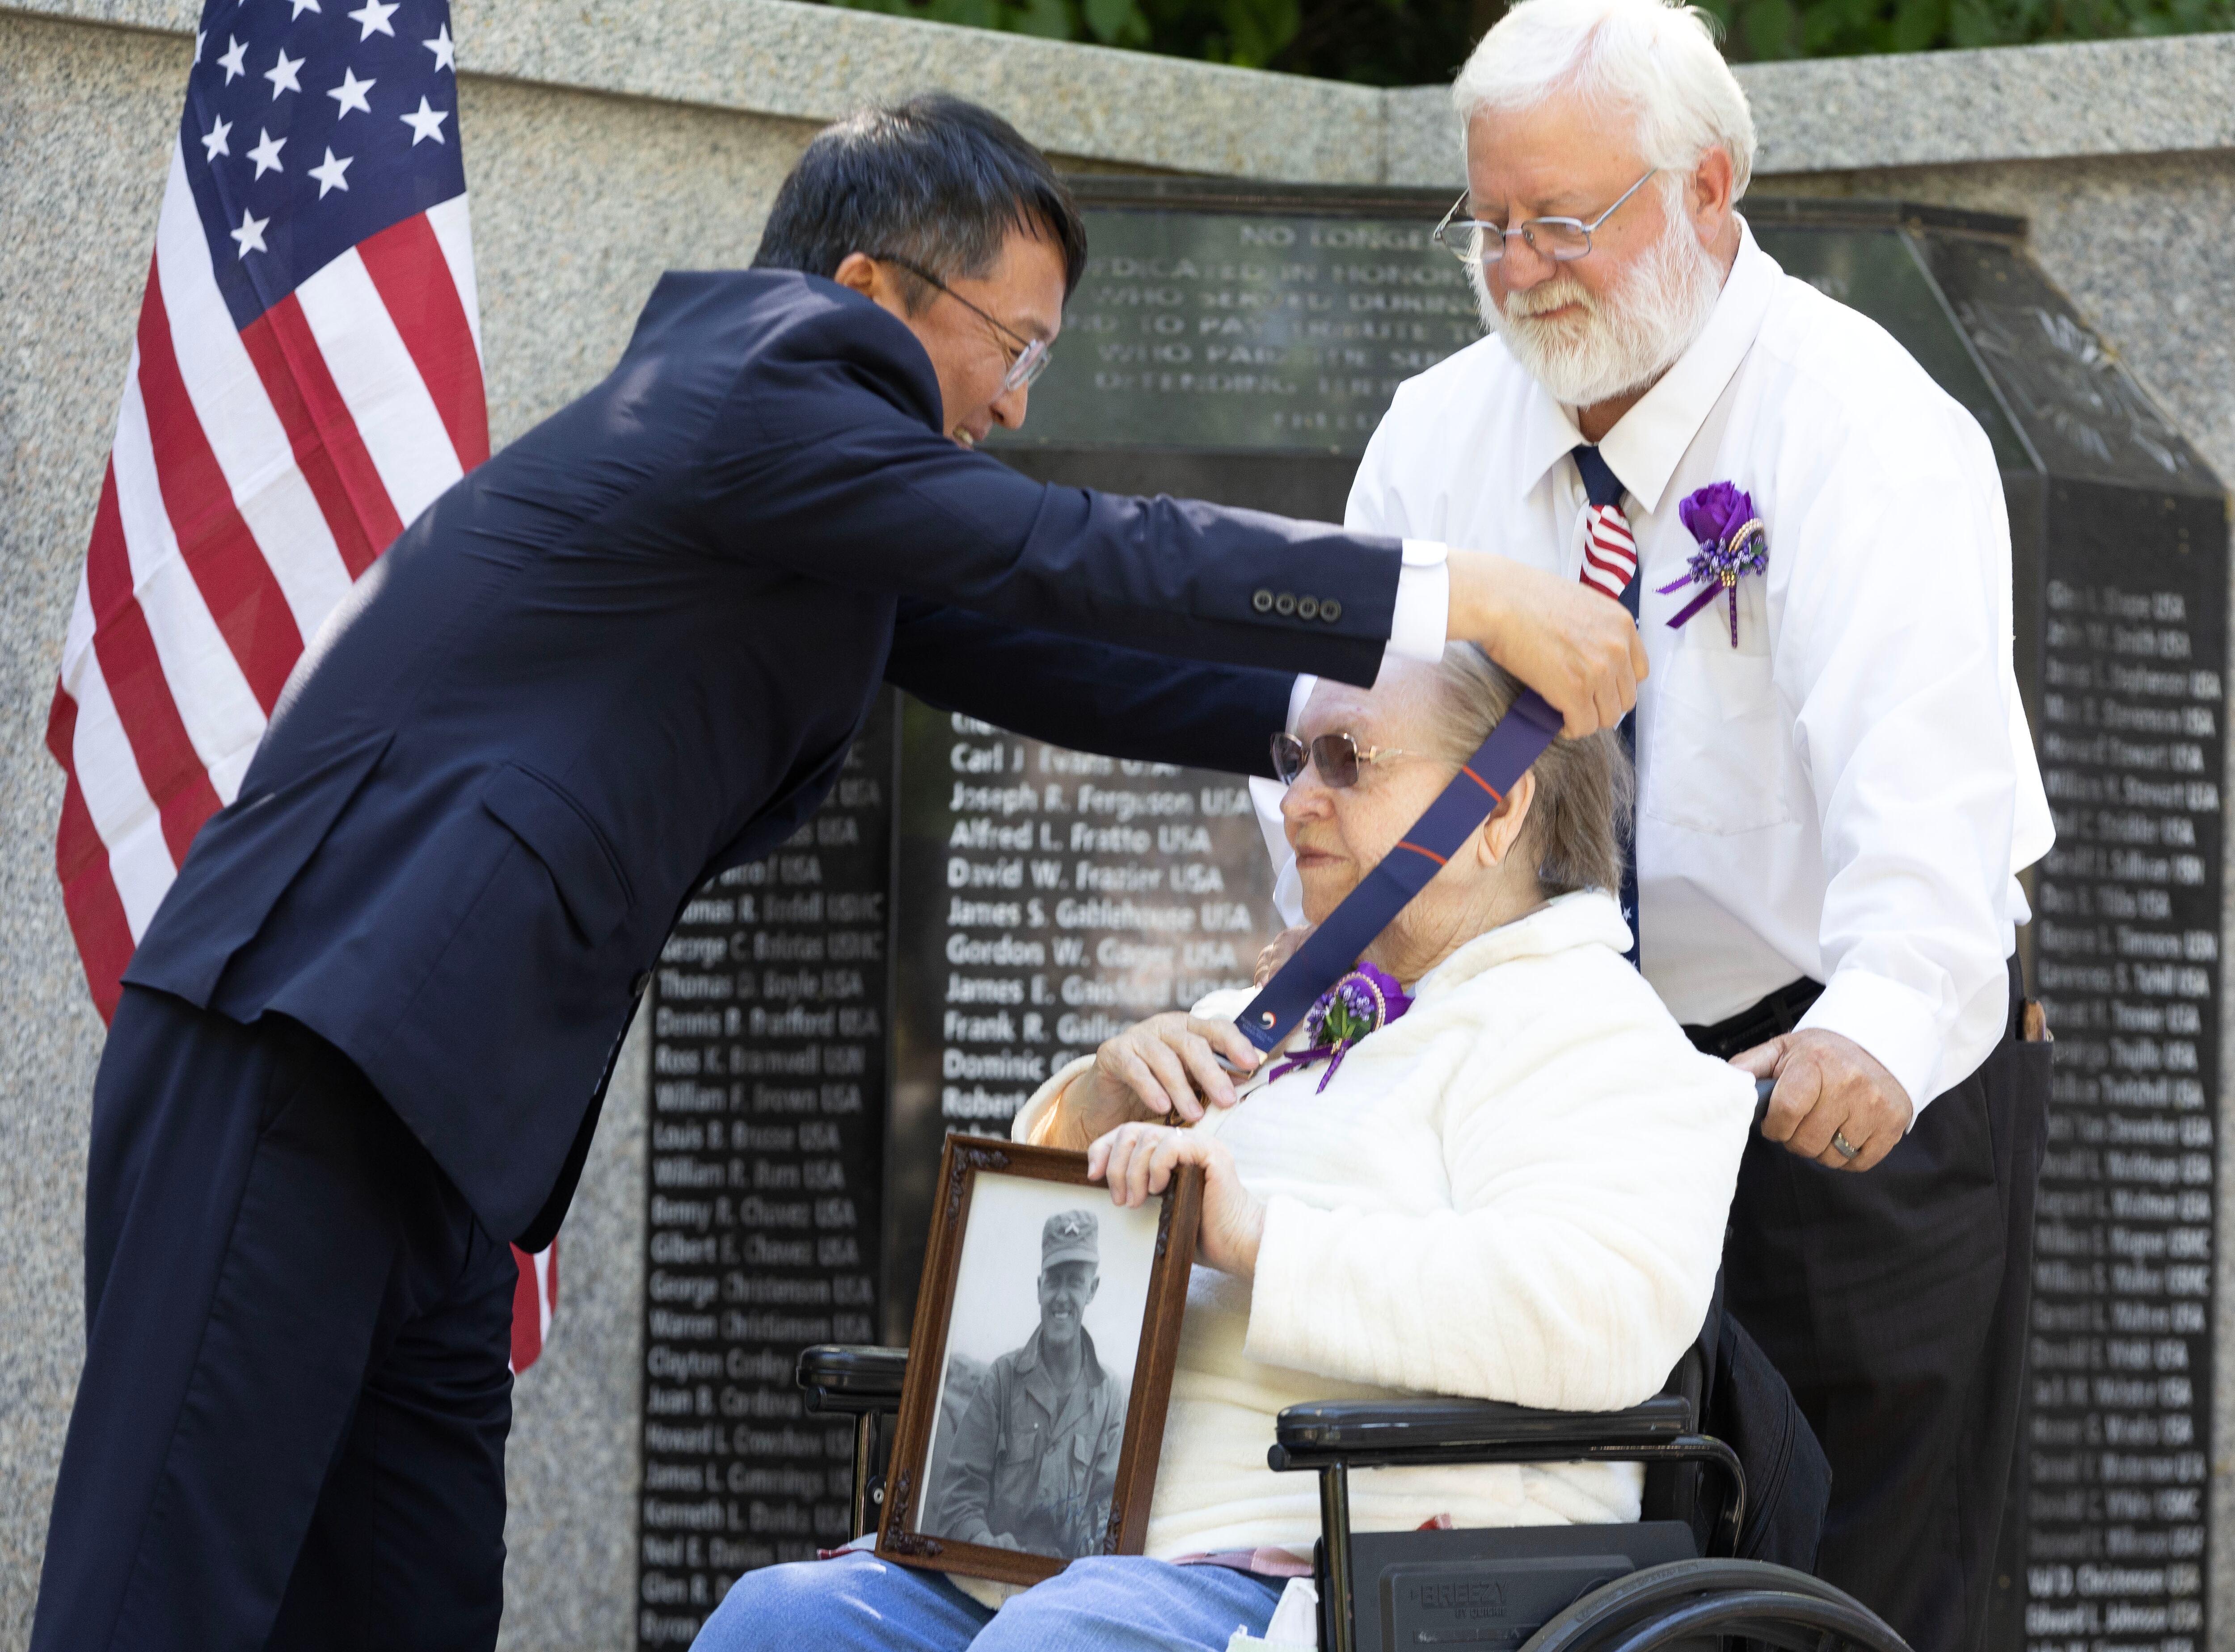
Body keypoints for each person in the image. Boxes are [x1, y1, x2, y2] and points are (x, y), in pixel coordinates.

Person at [30, 95, 1653, 1652]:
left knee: (411, 1605)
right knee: (171, 1593)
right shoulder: (754, 373)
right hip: (312, 1035)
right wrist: (1454, 599)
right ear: (867, 288)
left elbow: (1061, 651)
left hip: (447, 1115)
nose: (1019, 402)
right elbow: (1064, 551)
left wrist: (1397, 740)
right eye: (1012, 345)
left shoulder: (814, 515)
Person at [1252, 3, 2056, 1647]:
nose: (1520, 266)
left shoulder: (1863, 426)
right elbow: (1333, 754)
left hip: (1805, 1064)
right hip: (1527, 1060)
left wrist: (1879, 1036)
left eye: (1563, 220)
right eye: (1486, 224)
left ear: (1706, 188)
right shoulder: (1438, 434)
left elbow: (1935, 808)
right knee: (1548, 1552)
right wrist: (1304, 1019)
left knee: (1848, 1579)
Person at [691, 645, 1757, 1652]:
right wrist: (1094, 1114)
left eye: (1348, 760)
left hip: (1358, 1570)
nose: (1296, 801)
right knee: (783, 1621)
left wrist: (1258, 1241)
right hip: (1075, 1556)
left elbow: (1600, 1316)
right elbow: (1043, 1274)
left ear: (1497, 809)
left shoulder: (1589, 1027)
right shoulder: (1260, 1015)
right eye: (1295, 761)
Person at [933, 1210, 1127, 1559]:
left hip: (1070, 1586)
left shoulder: (1112, 1398)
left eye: (1075, 1282)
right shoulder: (1001, 1380)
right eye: (1054, 1281)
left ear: (1093, 1290)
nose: (1062, 1297)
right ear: (1040, 1288)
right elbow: (958, 1501)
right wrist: (994, 1555)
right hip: (993, 1574)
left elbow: (1111, 1517)